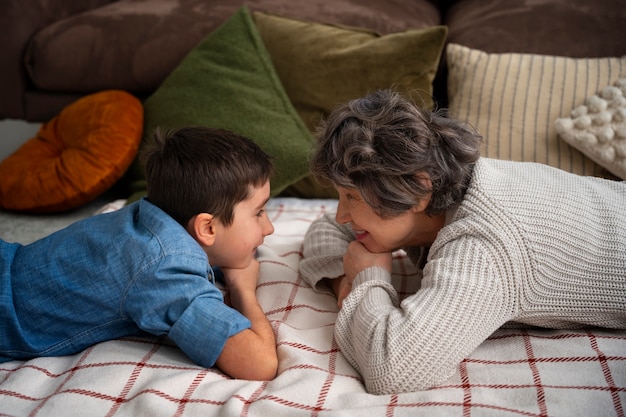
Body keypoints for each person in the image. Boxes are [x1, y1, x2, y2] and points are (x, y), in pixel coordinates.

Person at [299, 89, 626, 395]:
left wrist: (368, 279)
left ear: (417, 188)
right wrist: (345, 280)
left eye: (353, 197)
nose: (342, 214)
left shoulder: (485, 245)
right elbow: (326, 228)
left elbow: (393, 370)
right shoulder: (441, 193)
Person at [1, 126, 278, 381]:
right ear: (206, 227)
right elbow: (259, 364)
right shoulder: (164, 272)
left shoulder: (148, 217)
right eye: (259, 213)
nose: (270, 228)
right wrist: (242, 288)